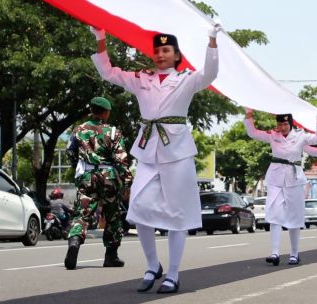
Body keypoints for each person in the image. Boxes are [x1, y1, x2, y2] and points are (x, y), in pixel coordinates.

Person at [90, 24, 221, 293]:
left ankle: (173, 273)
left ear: (176, 55)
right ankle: (152, 265)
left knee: (178, 215)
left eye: (166, 50)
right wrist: (101, 39)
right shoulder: (142, 78)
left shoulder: (186, 79)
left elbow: (211, 73)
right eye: (157, 50)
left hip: (178, 153)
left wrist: (211, 42)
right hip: (148, 150)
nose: (160, 54)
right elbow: (109, 72)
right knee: (138, 209)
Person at [244, 109, 317, 265]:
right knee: (274, 213)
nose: (283, 126)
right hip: (275, 177)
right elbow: (253, 133)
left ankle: (294, 253)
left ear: (291, 123)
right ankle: (275, 253)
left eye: (286, 123)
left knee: (294, 216)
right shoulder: (273, 135)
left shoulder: (300, 136)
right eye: (280, 123)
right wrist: (249, 115)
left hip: (294, 178)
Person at [65, 96, 133, 270]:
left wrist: (79, 168)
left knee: (82, 213)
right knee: (113, 216)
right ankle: (111, 256)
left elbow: (70, 153)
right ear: (106, 113)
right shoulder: (113, 132)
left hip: (87, 175)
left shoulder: (78, 130)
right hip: (109, 176)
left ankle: (74, 242)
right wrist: (126, 182)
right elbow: (122, 160)